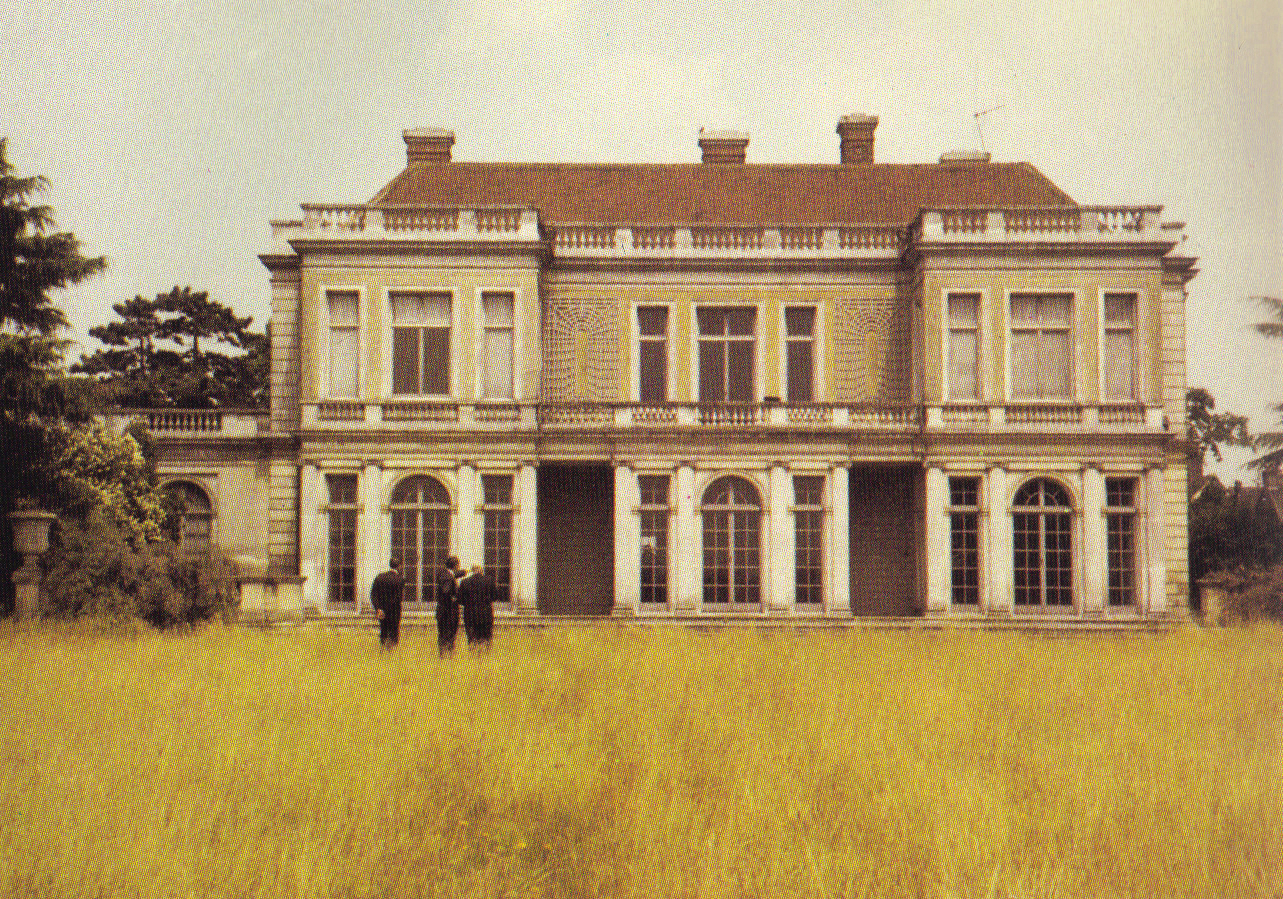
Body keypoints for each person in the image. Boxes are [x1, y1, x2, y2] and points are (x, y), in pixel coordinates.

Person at [458, 564, 498, 649]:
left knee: (472, 639)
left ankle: (473, 654)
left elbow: (460, 600)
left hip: (470, 614)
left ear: (472, 571)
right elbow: (495, 597)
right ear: (481, 570)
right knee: (486, 639)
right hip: (486, 613)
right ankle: (486, 654)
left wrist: (469, 603)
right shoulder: (490, 580)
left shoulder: (465, 582)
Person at [369, 560, 405, 650]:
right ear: (399, 566)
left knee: (383, 630)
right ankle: (391, 651)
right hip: (394, 610)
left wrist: (378, 608)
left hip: (382, 609)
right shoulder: (400, 579)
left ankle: (382, 649)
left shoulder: (380, 577)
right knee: (394, 631)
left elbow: (373, 594)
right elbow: (399, 597)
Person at [435, 555, 465, 656]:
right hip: (449, 612)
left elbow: (453, 575)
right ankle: (447, 655)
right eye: (458, 565)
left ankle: (444, 654)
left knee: (443, 635)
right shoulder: (448, 577)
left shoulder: (445, 573)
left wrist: (465, 572)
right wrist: (455, 597)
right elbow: (446, 591)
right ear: (455, 565)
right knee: (449, 635)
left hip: (443, 611)